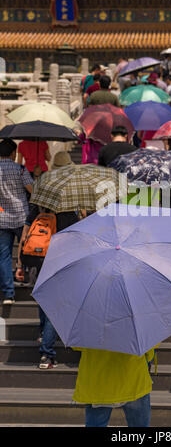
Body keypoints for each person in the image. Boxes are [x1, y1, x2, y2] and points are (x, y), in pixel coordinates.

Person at [15, 151, 78, 369]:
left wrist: (20, 258)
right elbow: (73, 230)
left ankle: (44, 335)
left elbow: (28, 222)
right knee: (55, 304)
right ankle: (47, 354)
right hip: (61, 254)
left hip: (38, 252)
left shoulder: (43, 187)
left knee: (44, 297)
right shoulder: (71, 192)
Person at [72, 346, 155, 427]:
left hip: (99, 383)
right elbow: (149, 346)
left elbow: (76, 346)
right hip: (133, 380)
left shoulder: (90, 331)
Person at [0, 139, 33, 304]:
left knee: (4, 256)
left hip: (2, 219)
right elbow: (31, 190)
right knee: (27, 250)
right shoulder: (20, 169)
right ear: (13, 153)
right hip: (21, 216)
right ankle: (25, 278)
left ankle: (8, 294)